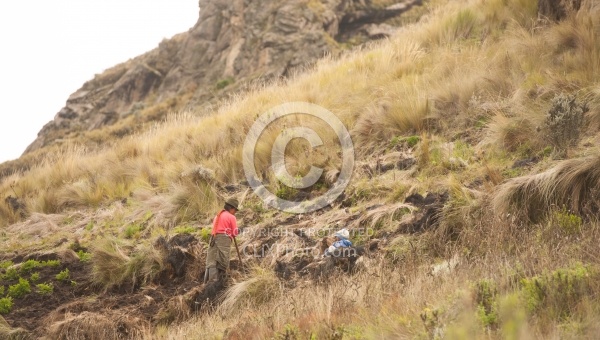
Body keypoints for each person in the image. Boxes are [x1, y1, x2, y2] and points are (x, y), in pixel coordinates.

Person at [204, 198, 239, 283]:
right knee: (222, 261)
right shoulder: (231, 217)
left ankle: (210, 282)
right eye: (235, 210)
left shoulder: (217, 216)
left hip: (213, 239)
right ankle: (220, 283)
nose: (235, 212)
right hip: (224, 239)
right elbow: (235, 233)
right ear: (231, 208)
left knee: (212, 260)